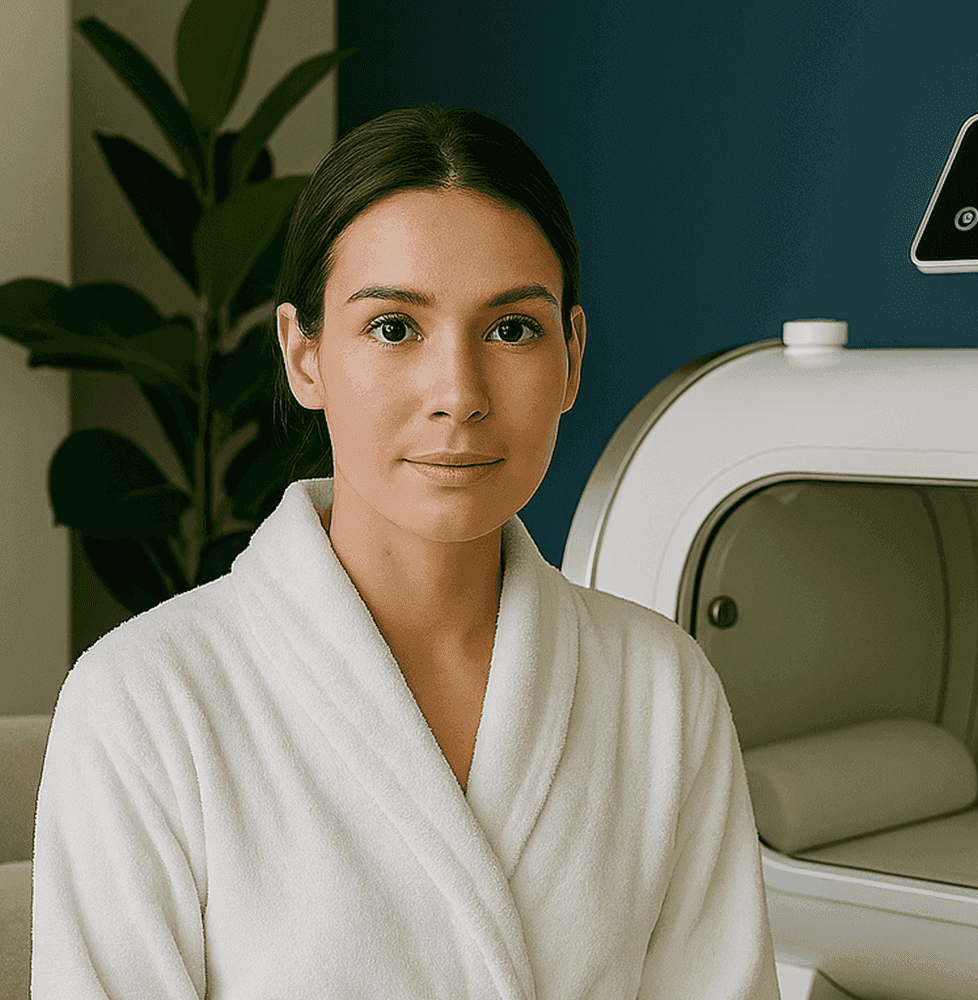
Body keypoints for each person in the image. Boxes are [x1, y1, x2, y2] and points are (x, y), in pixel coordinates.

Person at [32, 105, 780, 999]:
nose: (459, 393)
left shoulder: (662, 690)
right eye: (394, 327)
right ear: (302, 356)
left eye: (511, 329)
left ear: (572, 358)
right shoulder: (145, 702)